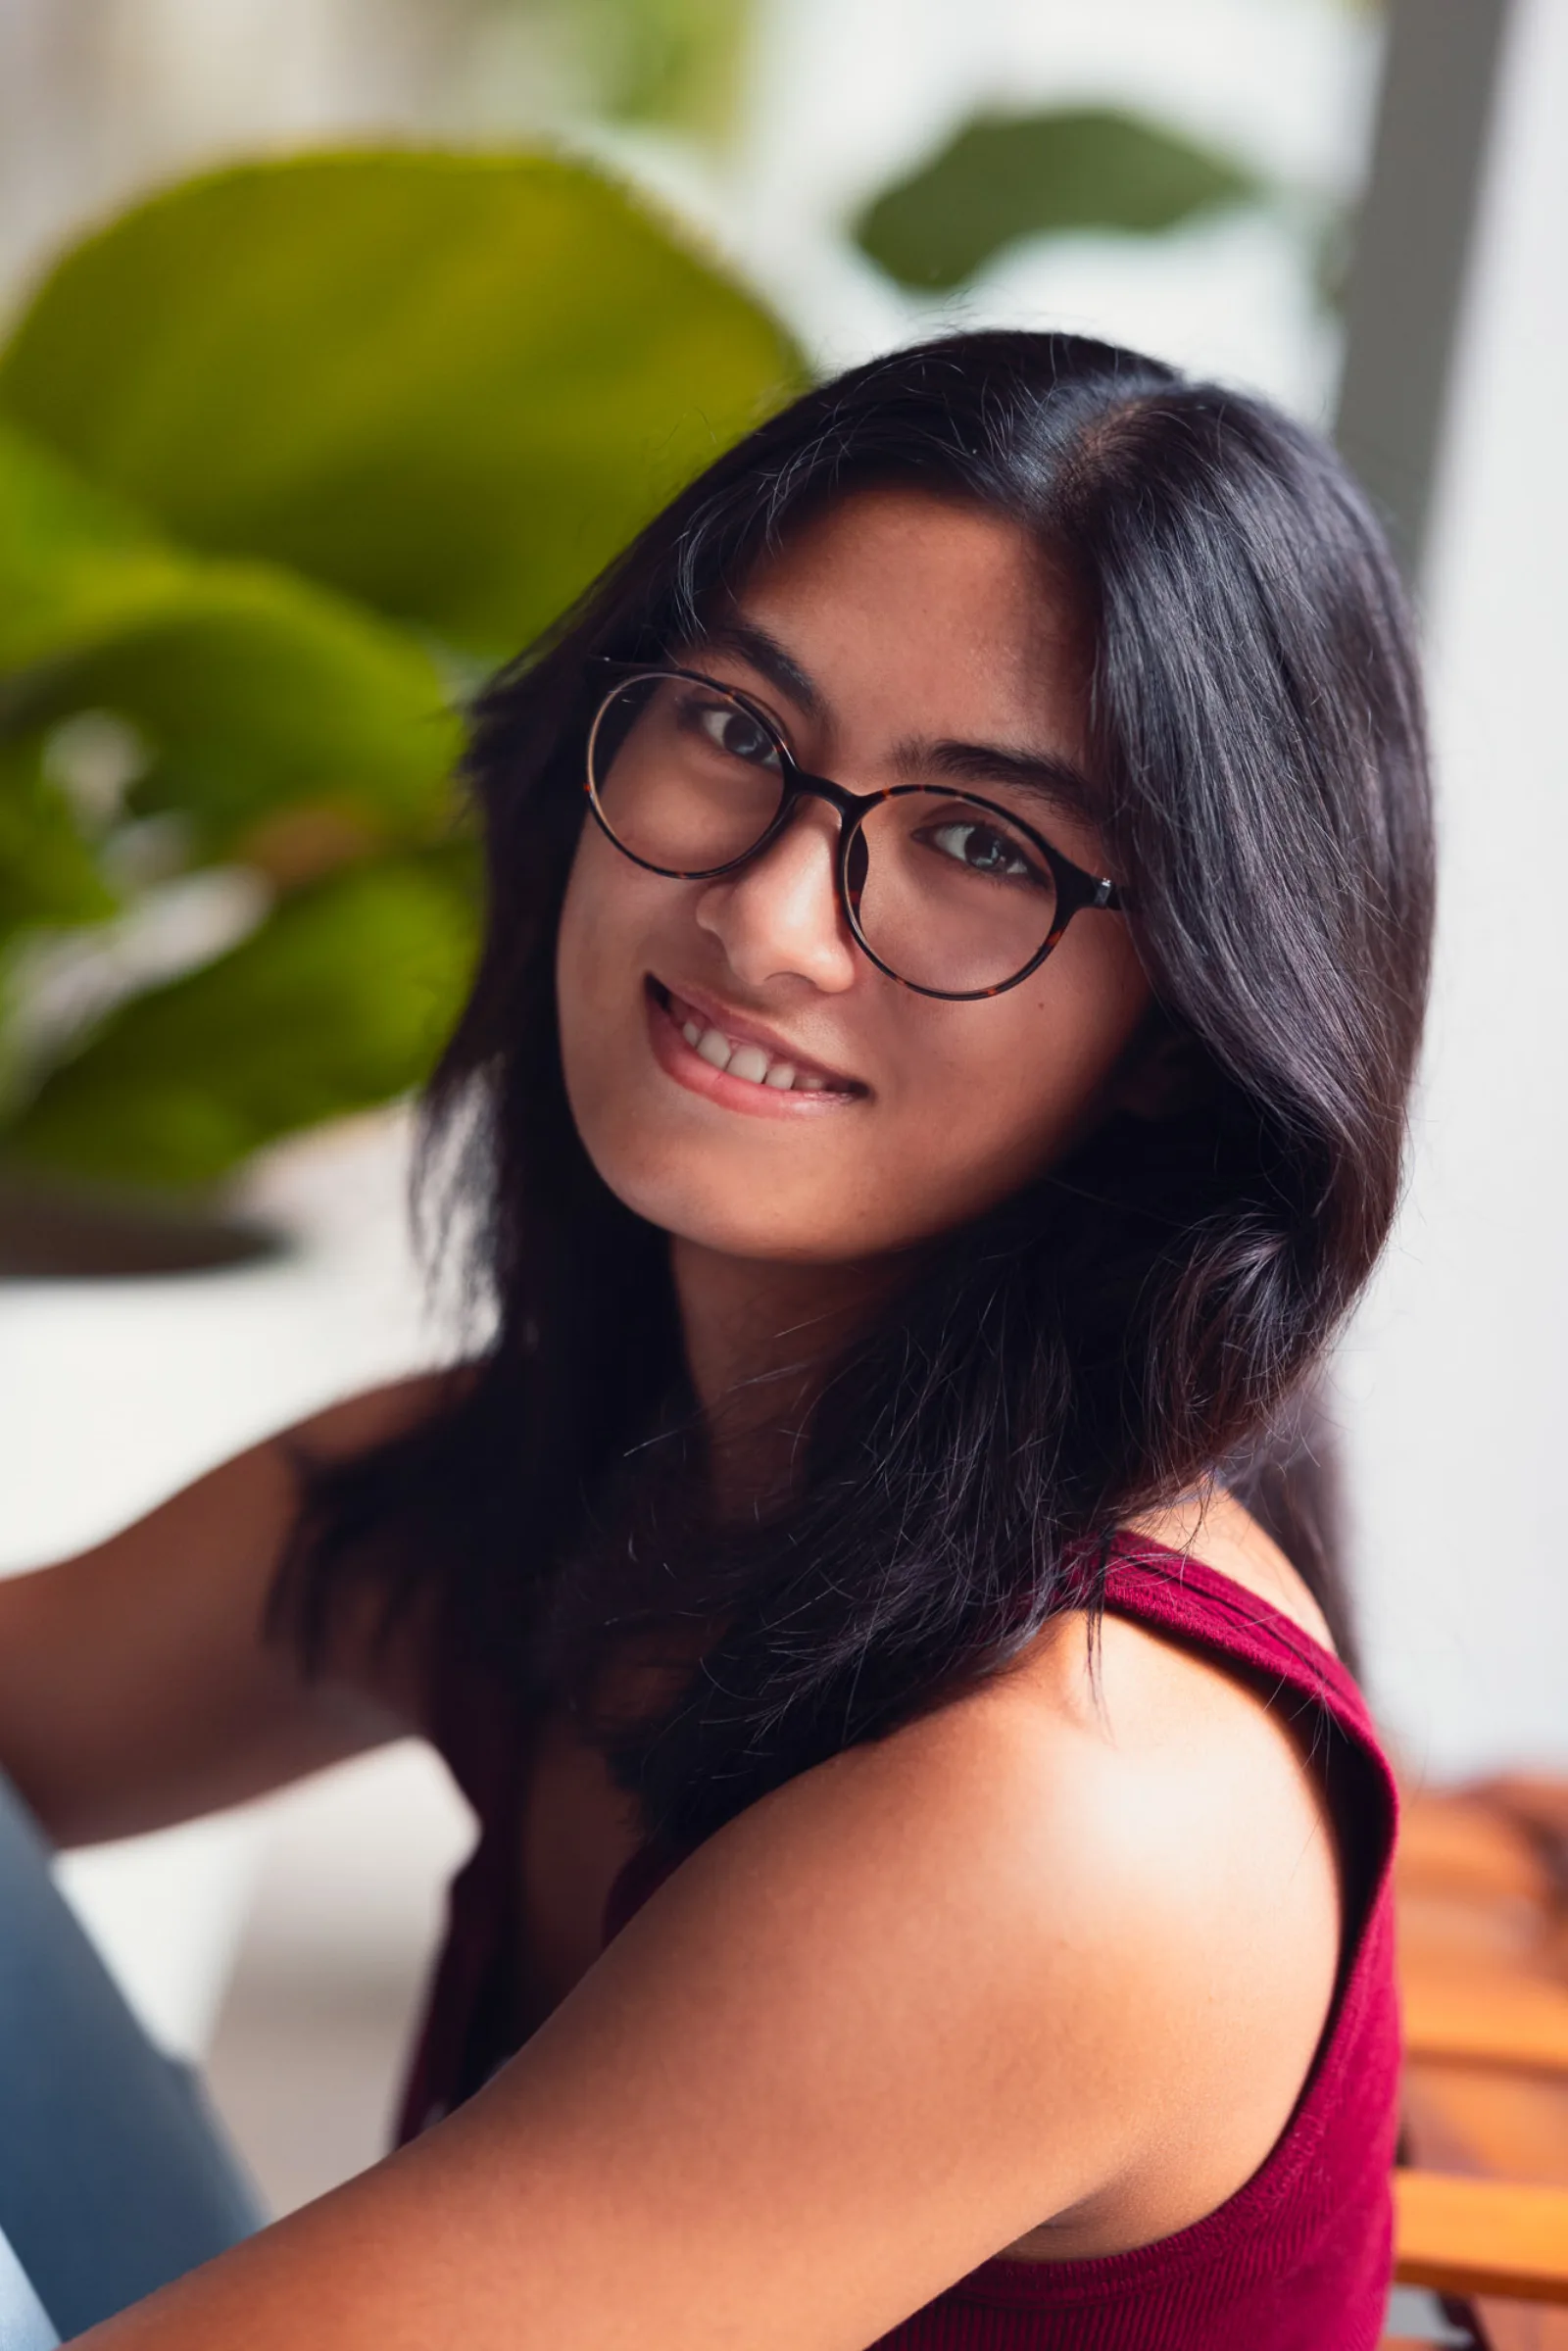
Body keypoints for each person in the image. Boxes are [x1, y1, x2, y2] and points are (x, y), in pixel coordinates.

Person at [0, 329, 1433, 2349]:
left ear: (1178, 1035)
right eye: (737, 726)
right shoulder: (576, 1482)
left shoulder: (1066, 1798)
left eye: (982, 845)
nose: (767, 919)